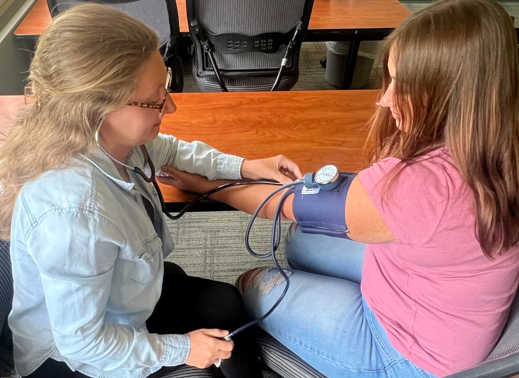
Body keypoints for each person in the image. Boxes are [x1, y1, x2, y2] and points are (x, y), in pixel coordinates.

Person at [156, 0, 519, 377]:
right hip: (451, 303)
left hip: (409, 352)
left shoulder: (421, 184)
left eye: (404, 87)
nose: (384, 98)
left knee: (250, 283)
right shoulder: (496, 143)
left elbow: (276, 204)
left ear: (453, 92)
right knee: (300, 242)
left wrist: (203, 185)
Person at [0, 4, 304, 378]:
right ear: (98, 107)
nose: (171, 105)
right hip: (74, 359)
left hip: (125, 300)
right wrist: (184, 349)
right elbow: (82, 344)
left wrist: (247, 166)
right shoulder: (73, 215)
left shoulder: (107, 139)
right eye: (157, 99)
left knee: (224, 304)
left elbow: (174, 151)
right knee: (204, 362)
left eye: (167, 86)